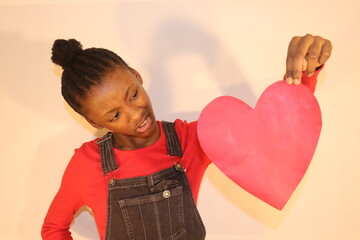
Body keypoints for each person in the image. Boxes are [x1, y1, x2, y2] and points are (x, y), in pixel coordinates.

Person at [41, 34, 332, 240]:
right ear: (94, 121)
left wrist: (305, 74)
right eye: (114, 116)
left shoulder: (191, 139)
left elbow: (277, 135)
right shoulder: (87, 164)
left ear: (136, 75)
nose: (134, 114)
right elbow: (53, 228)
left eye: (133, 94)